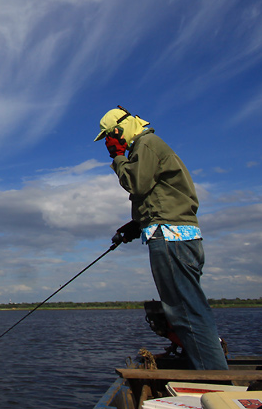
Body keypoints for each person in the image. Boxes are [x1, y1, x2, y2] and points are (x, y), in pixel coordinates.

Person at [95, 106, 228, 370]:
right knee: (188, 309)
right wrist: (137, 225)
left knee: (185, 312)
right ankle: (206, 367)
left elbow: (135, 184)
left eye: (110, 136)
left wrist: (119, 157)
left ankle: (216, 379)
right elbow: (160, 196)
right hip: (178, 235)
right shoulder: (150, 146)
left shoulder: (146, 144)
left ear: (120, 130)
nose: (109, 142)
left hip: (170, 238)